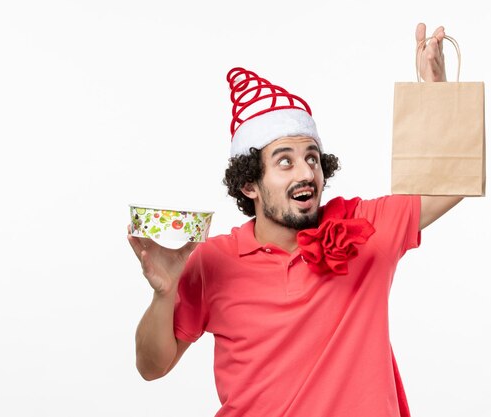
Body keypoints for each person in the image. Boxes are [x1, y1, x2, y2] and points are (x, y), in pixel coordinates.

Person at [128, 23, 464, 417]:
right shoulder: (213, 259)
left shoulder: (362, 226)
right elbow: (152, 367)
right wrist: (164, 295)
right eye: (284, 161)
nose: (305, 173)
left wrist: (437, 91)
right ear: (249, 184)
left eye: (312, 159)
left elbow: (454, 184)